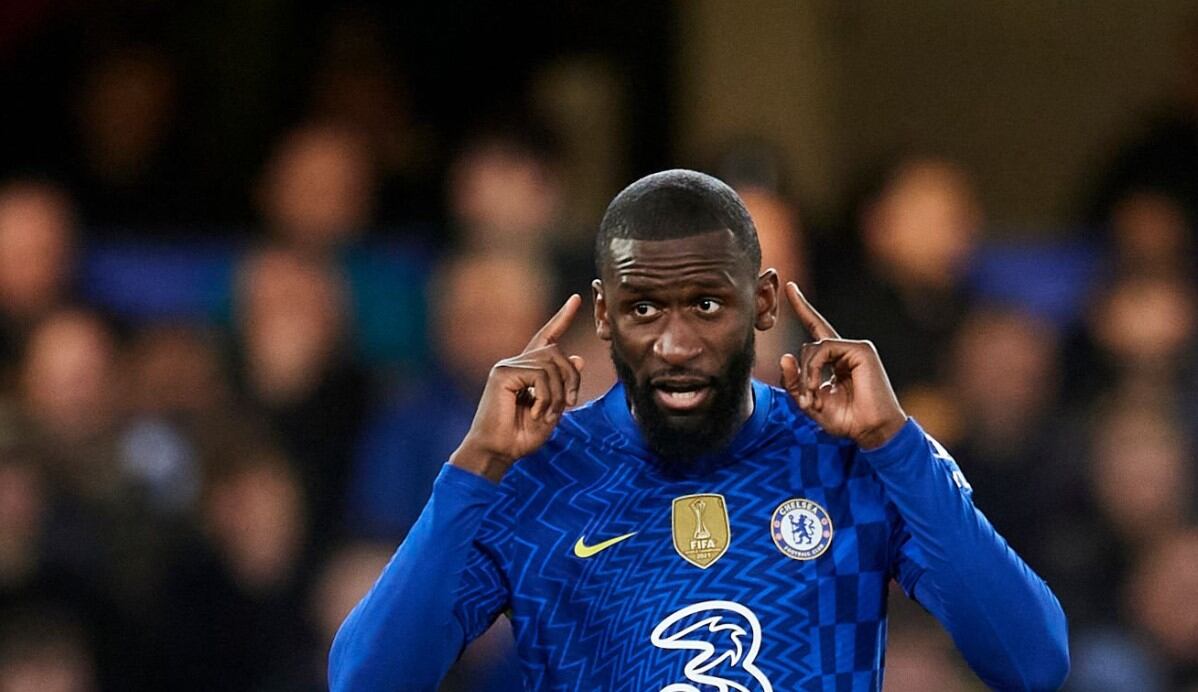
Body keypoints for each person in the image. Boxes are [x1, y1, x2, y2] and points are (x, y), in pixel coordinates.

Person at [329, 170, 1069, 690]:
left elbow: (1033, 662)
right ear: (603, 315)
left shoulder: (853, 456)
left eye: (707, 305)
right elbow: (366, 681)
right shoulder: (536, 473)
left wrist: (897, 446)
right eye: (644, 309)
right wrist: (474, 467)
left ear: (765, 302)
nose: (676, 344)